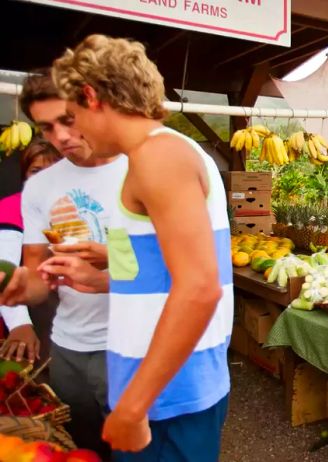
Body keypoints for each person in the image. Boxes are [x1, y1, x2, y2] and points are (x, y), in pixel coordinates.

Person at [38, 34, 232, 460]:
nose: (74, 133)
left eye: (71, 116)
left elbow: (200, 287)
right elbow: (164, 271)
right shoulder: (157, 156)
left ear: (92, 96)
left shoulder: (158, 158)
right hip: (162, 391)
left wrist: (133, 405)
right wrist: (102, 279)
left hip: (167, 397)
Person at [0, 71, 126, 458]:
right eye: (47, 127)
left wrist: (103, 276)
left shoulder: (137, 171)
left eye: (67, 121)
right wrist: (22, 288)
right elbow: (41, 275)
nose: (61, 137)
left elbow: (172, 265)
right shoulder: (41, 187)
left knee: (134, 447)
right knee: (81, 447)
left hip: (128, 344)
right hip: (68, 346)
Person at [0, 138, 61, 363]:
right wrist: (20, 324)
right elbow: (5, 269)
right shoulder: (11, 208)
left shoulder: (66, 209)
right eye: (36, 170)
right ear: (25, 175)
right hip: (28, 313)